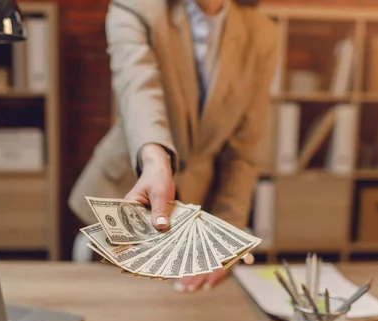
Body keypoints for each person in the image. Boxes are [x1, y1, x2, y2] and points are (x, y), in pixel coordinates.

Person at [68, 0, 279, 292]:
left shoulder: (263, 35)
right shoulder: (135, 8)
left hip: (196, 207)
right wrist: (155, 160)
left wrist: (224, 239)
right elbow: (138, 89)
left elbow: (243, 150)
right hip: (126, 192)